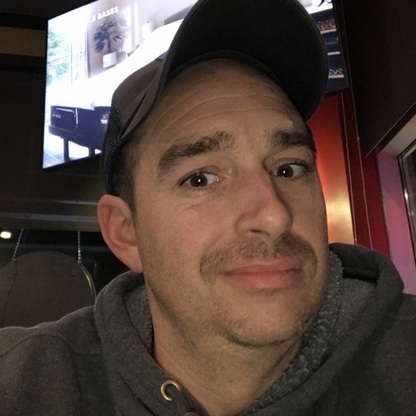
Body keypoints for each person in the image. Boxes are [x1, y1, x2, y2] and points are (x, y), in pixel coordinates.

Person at [1, 0, 415, 414]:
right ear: (127, 233)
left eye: (288, 169)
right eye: (200, 179)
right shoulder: (23, 382)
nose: (274, 216)